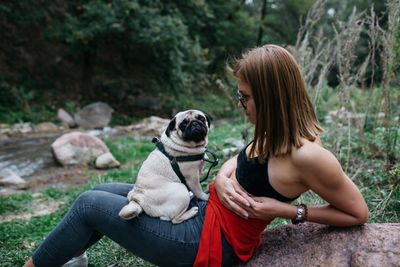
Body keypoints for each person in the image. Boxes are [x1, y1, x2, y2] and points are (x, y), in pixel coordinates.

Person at [23, 44, 368, 267]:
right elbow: (242, 160)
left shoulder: (309, 156)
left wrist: (289, 211)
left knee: (88, 203)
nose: (240, 104)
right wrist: (221, 175)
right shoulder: (272, 132)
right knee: (112, 191)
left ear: (271, 98)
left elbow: (357, 212)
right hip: (204, 211)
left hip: (207, 244)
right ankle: (66, 257)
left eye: (245, 97)